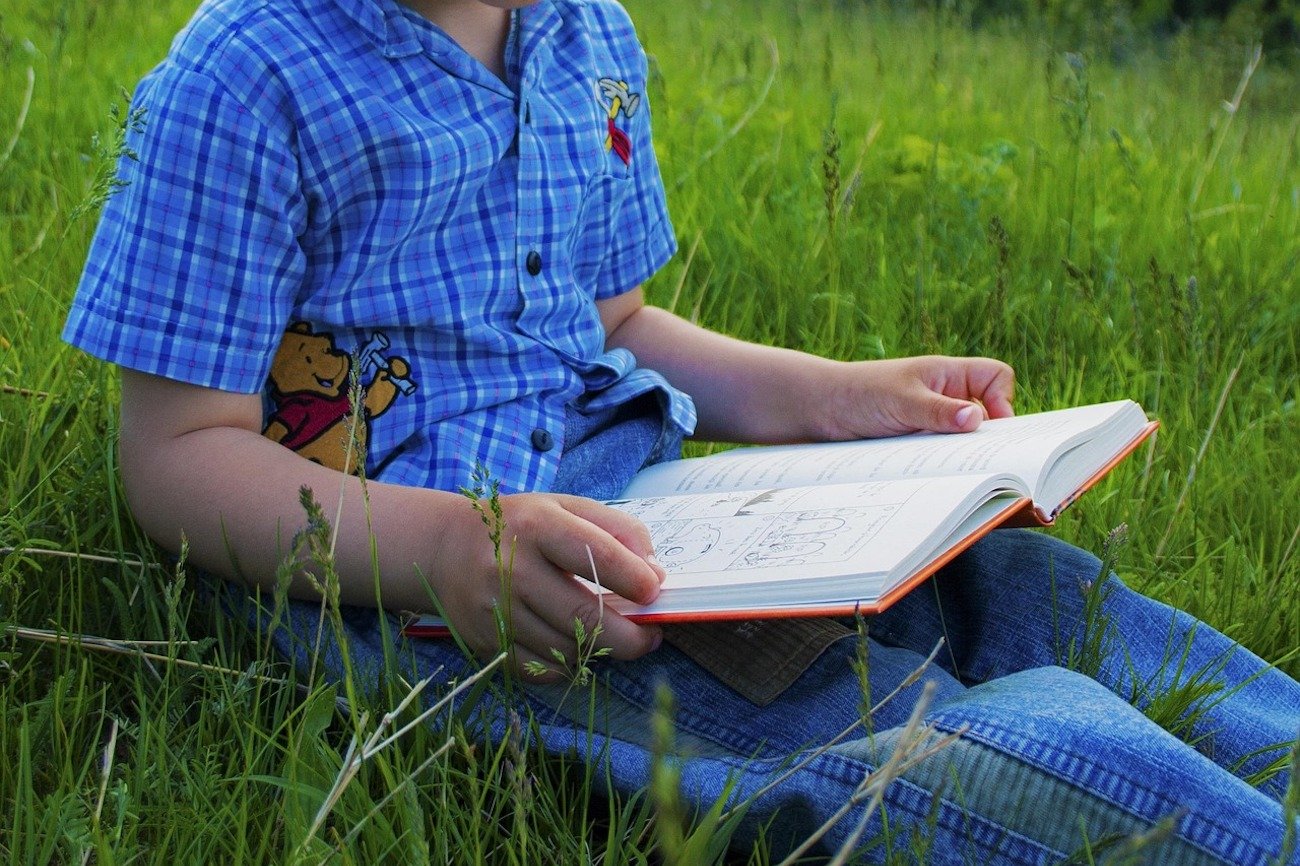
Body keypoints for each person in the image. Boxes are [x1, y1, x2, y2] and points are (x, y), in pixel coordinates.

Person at [63, 0, 1299, 861]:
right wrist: (450, 546)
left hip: (657, 503)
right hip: (463, 590)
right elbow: (176, 456)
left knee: (1017, 584)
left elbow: (619, 324)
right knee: (886, 726)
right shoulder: (241, 78)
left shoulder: (583, 35)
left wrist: (831, 394)